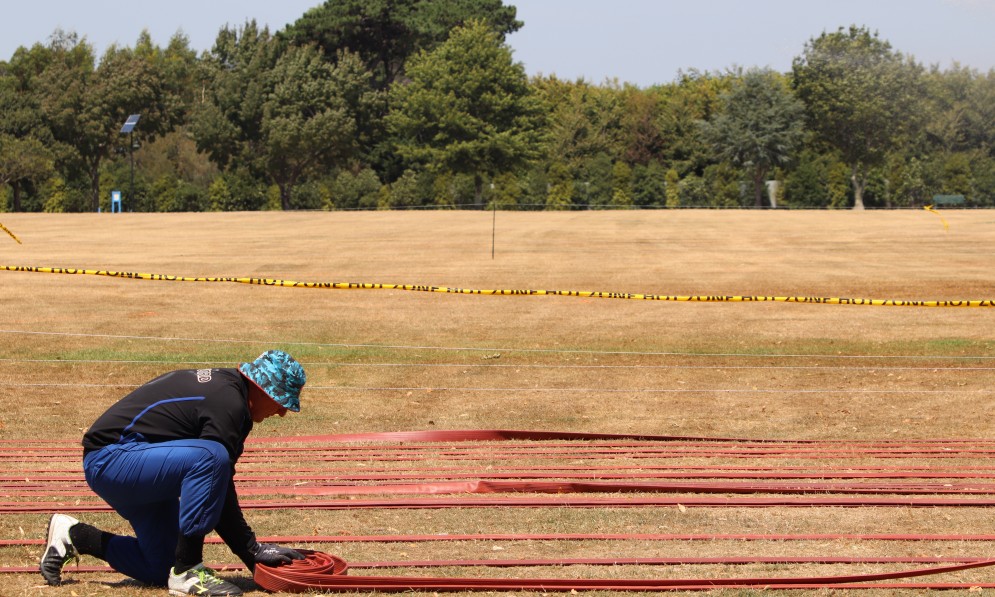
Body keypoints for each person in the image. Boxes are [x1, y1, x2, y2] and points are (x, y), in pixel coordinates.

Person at [40, 350, 308, 596]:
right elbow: (217, 477)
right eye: (280, 401)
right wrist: (251, 550)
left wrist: (251, 554)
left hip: (137, 464)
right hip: (111, 460)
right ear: (261, 389)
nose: (282, 412)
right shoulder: (230, 403)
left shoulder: (231, 393)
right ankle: (188, 571)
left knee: (159, 567)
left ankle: (75, 535)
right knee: (211, 457)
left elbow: (219, 486)